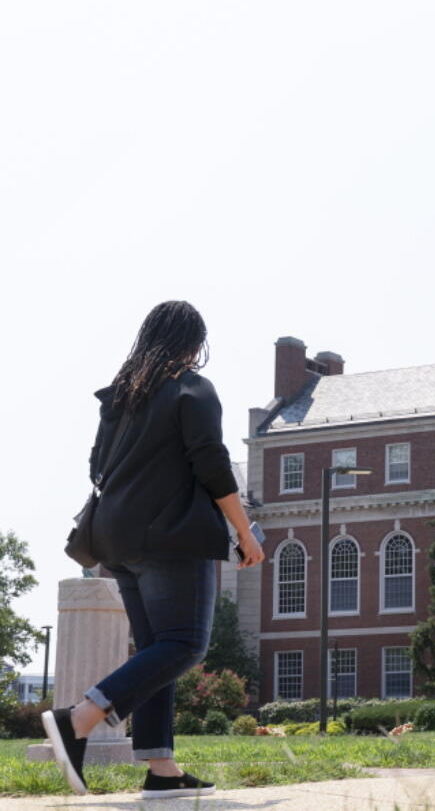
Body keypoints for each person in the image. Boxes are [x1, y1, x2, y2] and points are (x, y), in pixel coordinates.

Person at [42, 300, 265, 799]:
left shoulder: (120, 400)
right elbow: (211, 462)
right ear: (194, 345)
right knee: (185, 644)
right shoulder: (192, 388)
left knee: (157, 651)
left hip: (115, 539)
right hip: (171, 536)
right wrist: (244, 531)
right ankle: (78, 718)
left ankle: (160, 767)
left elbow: (96, 466)